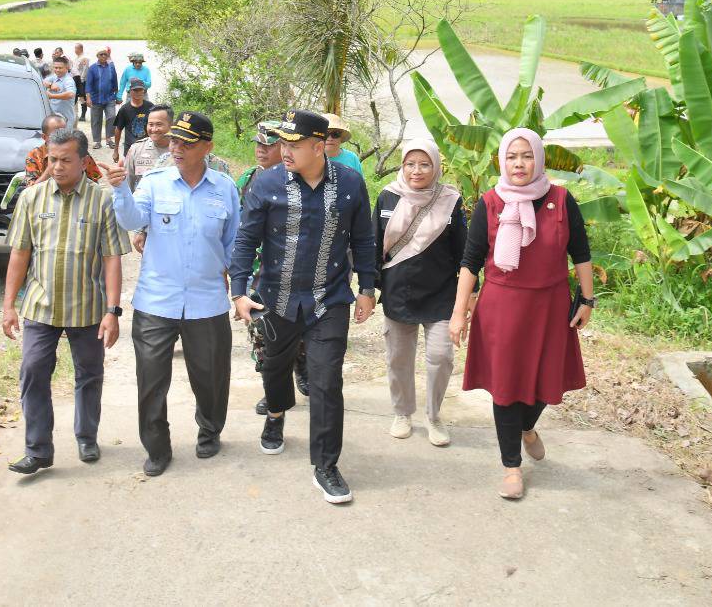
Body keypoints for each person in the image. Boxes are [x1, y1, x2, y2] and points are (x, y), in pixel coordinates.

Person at [231, 109, 377, 506]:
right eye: (282, 143)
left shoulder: (349, 184)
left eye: (294, 144)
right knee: (274, 368)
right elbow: (245, 240)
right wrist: (239, 291)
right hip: (274, 299)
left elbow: (364, 238)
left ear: (318, 146)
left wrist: (367, 286)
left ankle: (326, 465)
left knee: (327, 380)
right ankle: (276, 414)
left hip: (328, 301)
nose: (285, 151)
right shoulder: (267, 182)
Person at [450, 128, 594, 501]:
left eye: (526, 156)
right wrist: (457, 313)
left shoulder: (562, 200)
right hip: (502, 308)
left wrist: (587, 300)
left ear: (539, 159)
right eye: (512, 156)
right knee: (506, 388)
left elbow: (580, 253)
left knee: (548, 379)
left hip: (550, 307)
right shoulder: (491, 202)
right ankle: (511, 467)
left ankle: (528, 427)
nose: (519, 163)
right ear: (502, 159)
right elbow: (470, 262)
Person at [106, 111, 240, 476]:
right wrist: (120, 188)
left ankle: (210, 429)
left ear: (207, 147)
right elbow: (134, 221)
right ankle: (157, 448)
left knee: (212, 376)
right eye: (175, 141)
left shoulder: (225, 189)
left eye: (187, 142)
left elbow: (233, 244)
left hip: (206, 300)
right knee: (151, 380)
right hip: (156, 300)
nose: (177, 147)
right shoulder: (154, 182)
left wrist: (238, 289)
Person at [2, 129, 126, 474]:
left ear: (83, 161)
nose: (57, 167)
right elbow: (20, 253)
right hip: (40, 306)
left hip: (87, 307)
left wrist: (112, 311)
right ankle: (38, 449)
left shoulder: (103, 201)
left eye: (65, 160)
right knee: (33, 370)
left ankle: (86, 436)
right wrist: (9, 305)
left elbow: (112, 258)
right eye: (52, 160)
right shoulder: (32, 199)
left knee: (89, 374)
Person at [376, 138, 467, 447]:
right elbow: (374, 244)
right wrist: (369, 286)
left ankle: (434, 416)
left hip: (441, 293)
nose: (417, 170)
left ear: (436, 166)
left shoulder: (451, 201)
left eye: (424, 164)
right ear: (402, 165)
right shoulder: (387, 196)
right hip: (397, 290)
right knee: (398, 358)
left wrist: (468, 297)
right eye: (410, 164)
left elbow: (464, 253)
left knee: (441, 356)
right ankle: (402, 413)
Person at [237, 120, 309, 417]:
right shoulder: (248, 178)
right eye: (258, 145)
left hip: (291, 271)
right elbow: (238, 228)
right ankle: (273, 390)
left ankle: (302, 371)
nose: (261, 150)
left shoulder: (304, 181)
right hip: (257, 272)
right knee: (261, 332)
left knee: (298, 332)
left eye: (269, 145)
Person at [24, 114, 103, 183]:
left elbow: (94, 180)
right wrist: (51, 168)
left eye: (64, 132)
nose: (61, 136)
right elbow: (31, 191)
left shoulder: (78, 151)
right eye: (55, 134)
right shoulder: (35, 155)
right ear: (44, 137)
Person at [123, 105, 174, 190]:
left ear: (171, 125)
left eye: (159, 124)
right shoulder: (136, 149)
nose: (154, 129)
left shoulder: (181, 150)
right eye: (150, 124)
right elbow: (127, 183)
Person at [85, 46, 120, 152]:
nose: (104, 56)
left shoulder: (111, 67)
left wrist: (117, 95)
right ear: (97, 56)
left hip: (109, 97)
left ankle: (109, 138)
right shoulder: (92, 68)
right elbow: (89, 84)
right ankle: (97, 141)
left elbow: (115, 82)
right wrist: (88, 97)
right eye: (101, 54)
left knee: (112, 116)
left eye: (105, 54)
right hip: (96, 98)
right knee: (96, 120)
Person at [110, 82, 153, 158]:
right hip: (130, 147)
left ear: (144, 91)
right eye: (135, 90)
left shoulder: (150, 107)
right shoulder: (124, 109)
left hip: (147, 146)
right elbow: (118, 129)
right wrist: (116, 151)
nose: (138, 92)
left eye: (140, 90)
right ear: (130, 92)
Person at [44, 56, 77, 128]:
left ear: (66, 68)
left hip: (65, 119)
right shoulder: (55, 77)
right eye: (56, 68)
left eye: (60, 68)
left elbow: (71, 94)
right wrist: (50, 85)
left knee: (63, 138)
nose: (58, 70)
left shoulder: (68, 80)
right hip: (54, 118)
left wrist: (51, 96)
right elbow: (42, 81)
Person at [72, 44, 91, 121]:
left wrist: (82, 80)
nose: (75, 50)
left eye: (76, 48)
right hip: (76, 79)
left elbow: (85, 69)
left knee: (82, 96)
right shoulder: (77, 58)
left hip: (81, 80)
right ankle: (78, 114)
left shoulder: (84, 58)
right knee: (78, 96)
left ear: (80, 49)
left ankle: (83, 115)